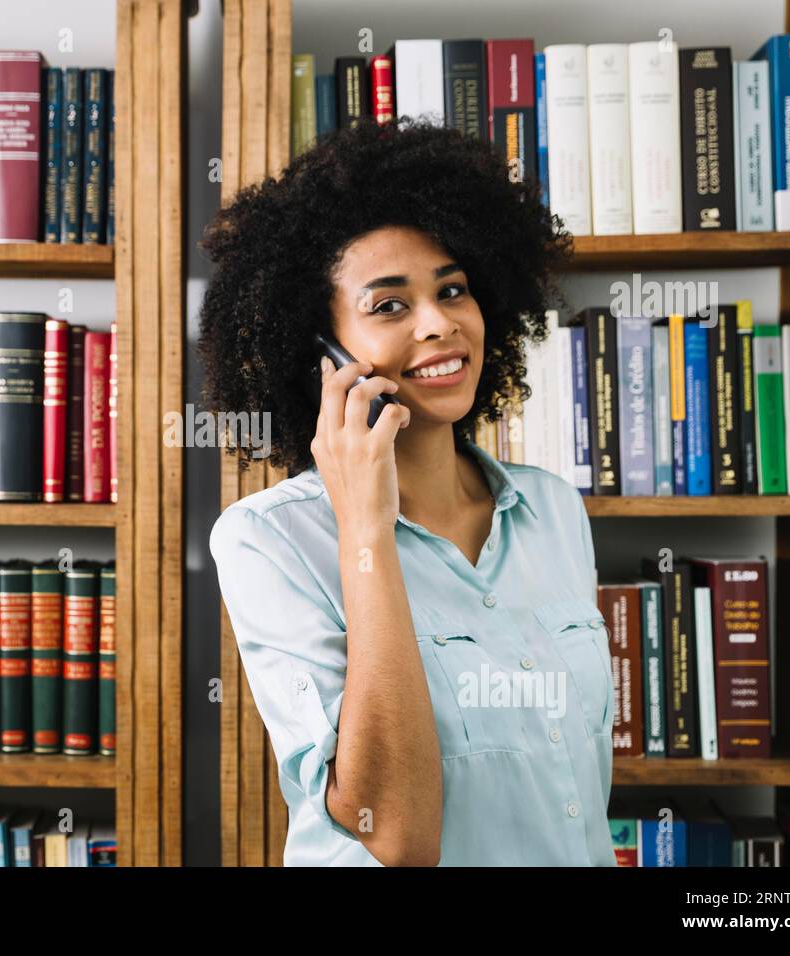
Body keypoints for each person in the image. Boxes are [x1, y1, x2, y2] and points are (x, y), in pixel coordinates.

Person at [201, 118, 616, 866]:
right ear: (317, 349)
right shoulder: (268, 540)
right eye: (388, 305)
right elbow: (392, 832)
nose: (440, 324)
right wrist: (366, 531)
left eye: (452, 290)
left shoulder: (553, 508)